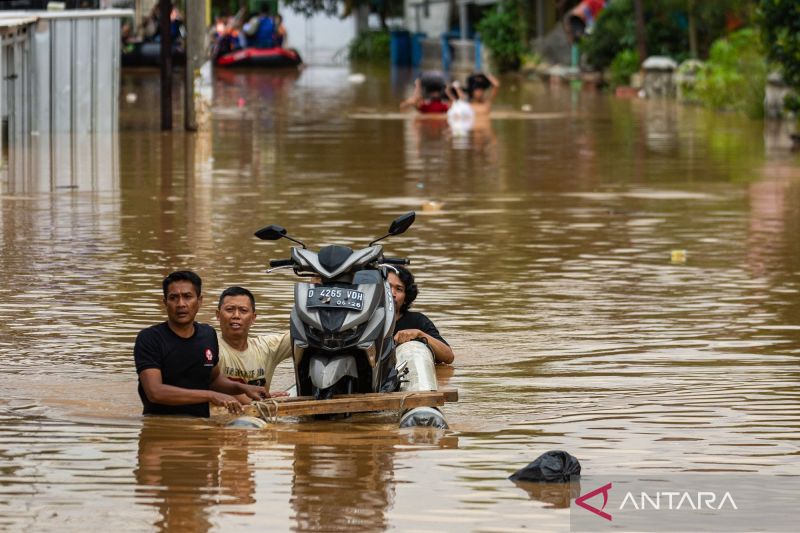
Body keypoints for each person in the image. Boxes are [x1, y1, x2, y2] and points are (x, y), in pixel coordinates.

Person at [134, 271, 283, 417]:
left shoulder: (207, 334)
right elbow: (155, 393)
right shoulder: (150, 338)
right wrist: (210, 395)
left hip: (203, 427)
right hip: (162, 427)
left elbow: (214, 379)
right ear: (165, 302)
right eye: (174, 298)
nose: (181, 304)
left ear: (199, 301)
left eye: (187, 297)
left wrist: (243, 387)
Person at [215, 286, 293, 401]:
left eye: (243, 310)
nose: (236, 315)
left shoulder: (266, 348)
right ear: (218, 315)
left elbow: (302, 335)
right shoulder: (210, 347)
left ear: (253, 318)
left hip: (256, 414)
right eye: (230, 309)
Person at [387, 266, 455, 364]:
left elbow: (448, 357)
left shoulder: (417, 321)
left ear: (406, 298)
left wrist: (419, 334)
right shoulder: (365, 319)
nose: (392, 293)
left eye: (399, 289)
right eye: (388, 286)